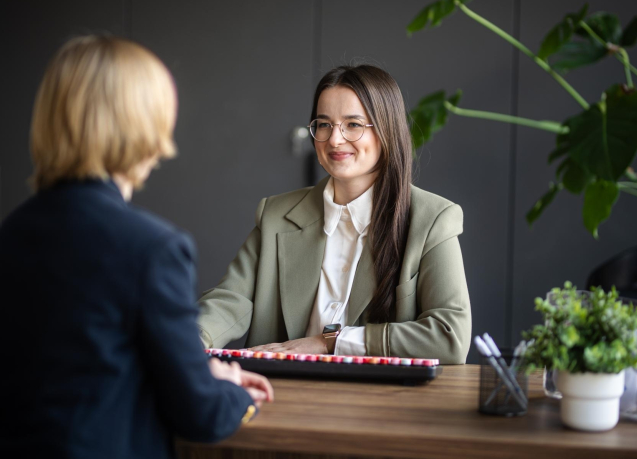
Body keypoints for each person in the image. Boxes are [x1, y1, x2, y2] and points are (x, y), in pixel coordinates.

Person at [0, 35, 273, 459]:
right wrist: (227, 391)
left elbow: (79, 362)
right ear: (146, 128)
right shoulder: (155, 248)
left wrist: (191, 370)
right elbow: (201, 415)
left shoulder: (12, 232)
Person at [196, 65, 471, 364]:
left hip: (381, 401)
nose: (334, 140)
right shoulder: (277, 214)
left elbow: (450, 335)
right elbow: (230, 300)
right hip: (280, 392)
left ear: (386, 130)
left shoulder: (432, 219)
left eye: (353, 124)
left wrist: (329, 341)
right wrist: (190, 341)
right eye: (324, 124)